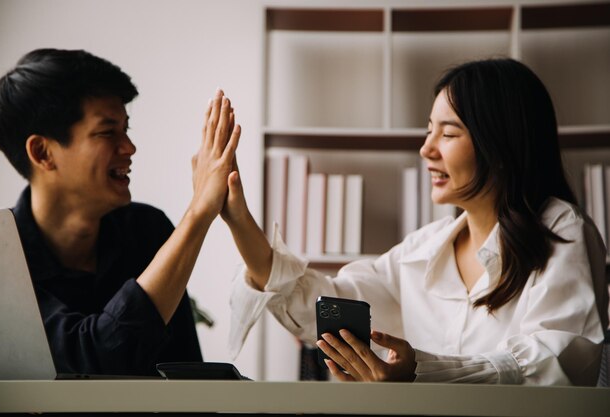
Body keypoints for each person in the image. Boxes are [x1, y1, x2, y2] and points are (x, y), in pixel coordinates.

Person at [221, 58, 608, 385]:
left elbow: (558, 362)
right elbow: (323, 304)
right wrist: (239, 219)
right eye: (428, 131)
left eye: (449, 133)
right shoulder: (422, 249)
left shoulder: (561, 231)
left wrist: (424, 371)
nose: (426, 149)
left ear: (501, 144)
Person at [0, 48, 240, 376]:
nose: (129, 148)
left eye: (126, 128)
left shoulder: (148, 229)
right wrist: (199, 211)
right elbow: (94, 360)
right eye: (108, 132)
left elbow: (187, 380)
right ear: (42, 152)